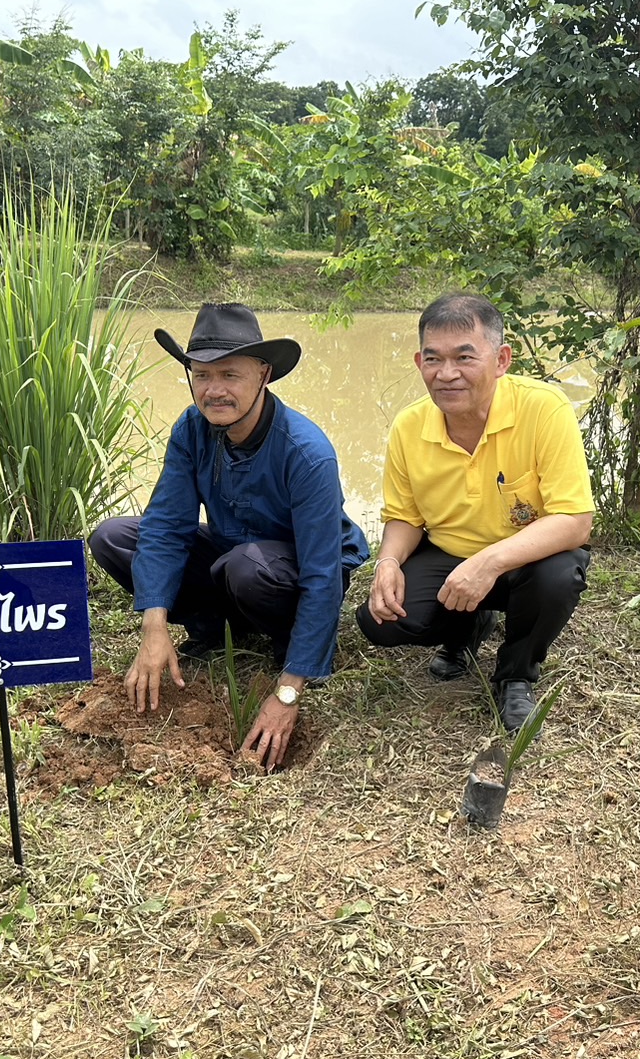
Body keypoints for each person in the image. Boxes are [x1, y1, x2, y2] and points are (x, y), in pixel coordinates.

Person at [89, 303, 369, 770]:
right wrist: (153, 627)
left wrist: (288, 689)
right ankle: (219, 629)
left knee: (246, 567)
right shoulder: (191, 428)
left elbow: (323, 575)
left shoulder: (307, 452)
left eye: (230, 375)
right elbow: (165, 525)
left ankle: (290, 644)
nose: (214, 390)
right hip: (232, 554)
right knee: (114, 537)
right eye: (201, 375)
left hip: (289, 568)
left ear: (263, 375)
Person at [356, 293, 594, 731]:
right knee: (379, 620)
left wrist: (488, 562)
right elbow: (405, 517)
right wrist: (388, 561)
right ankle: (465, 630)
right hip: (448, 554)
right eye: (434, 359)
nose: (447, 374)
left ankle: (516, 675)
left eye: (465, 357)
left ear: (501, 359)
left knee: (559, 575)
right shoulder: (409, 427)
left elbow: (574, 521)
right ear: (418, 362)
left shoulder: (544, 409)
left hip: (527, 559)